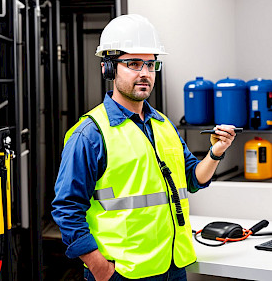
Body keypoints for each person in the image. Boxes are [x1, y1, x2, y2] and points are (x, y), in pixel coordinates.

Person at [52, 14, 236, 281]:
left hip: (172, 268)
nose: (145, 73)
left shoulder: (163, 125)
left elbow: (193, 180)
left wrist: (216, 151)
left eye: (151, 65)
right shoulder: (90, 134)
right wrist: (100, 269)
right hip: (123, 273)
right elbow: (66, 209)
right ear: (109, 68)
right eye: (133, 64)